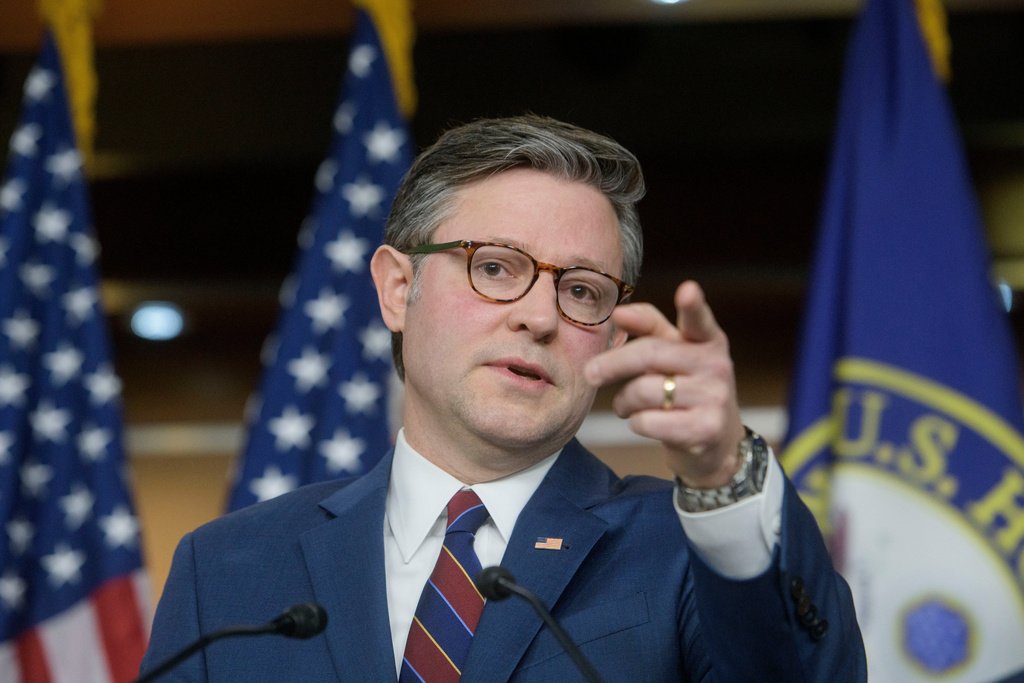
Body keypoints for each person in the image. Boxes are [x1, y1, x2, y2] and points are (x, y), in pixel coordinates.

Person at [141, 115, 866, 681]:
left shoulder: (681, 548)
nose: (540, 316)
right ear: (399, 288)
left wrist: (722, 474)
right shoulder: (229, 569)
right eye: (495, 266)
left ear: (610, 338)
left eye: (581, 289)